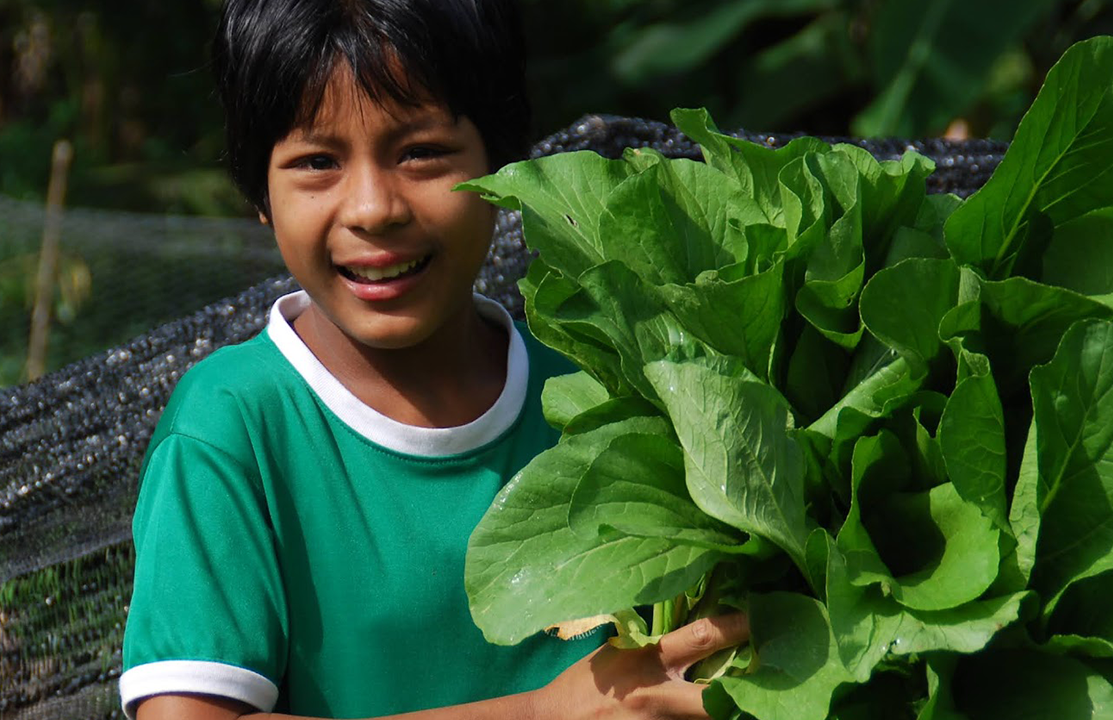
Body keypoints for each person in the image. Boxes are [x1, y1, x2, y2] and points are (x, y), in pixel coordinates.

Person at [119, 1, 748, 718]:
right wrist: (543, 714)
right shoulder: (230, 429)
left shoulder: (608, 384)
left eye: (418, 152)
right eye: (317, 163)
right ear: (259, 191)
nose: (372, 208)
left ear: (503, 161)